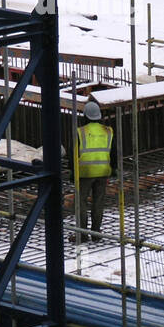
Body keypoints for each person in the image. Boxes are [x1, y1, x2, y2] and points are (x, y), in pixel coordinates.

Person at [73, 99, 114, 243]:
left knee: (81, 203)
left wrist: (73, 173)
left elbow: (74, 154)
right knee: (98, 202)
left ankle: (82, 234)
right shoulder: (108, 131)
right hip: (103, 171)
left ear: (85, 115)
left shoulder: (80, 132)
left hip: (85, 173)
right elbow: (113, 153)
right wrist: (113, 170)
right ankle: (96, 233)